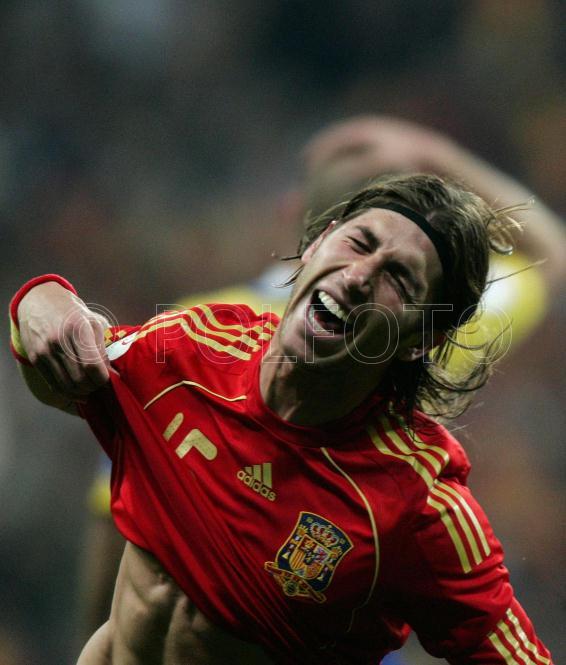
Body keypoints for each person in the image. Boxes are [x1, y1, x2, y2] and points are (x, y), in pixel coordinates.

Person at [11, 173, 554, 663]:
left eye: (399, 279)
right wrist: (39, 301)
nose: (359, 277)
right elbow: (60, 372)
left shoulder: (415, 504)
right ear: (318, 243)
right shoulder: (192, 353)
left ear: (422, 339)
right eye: (359, 243)